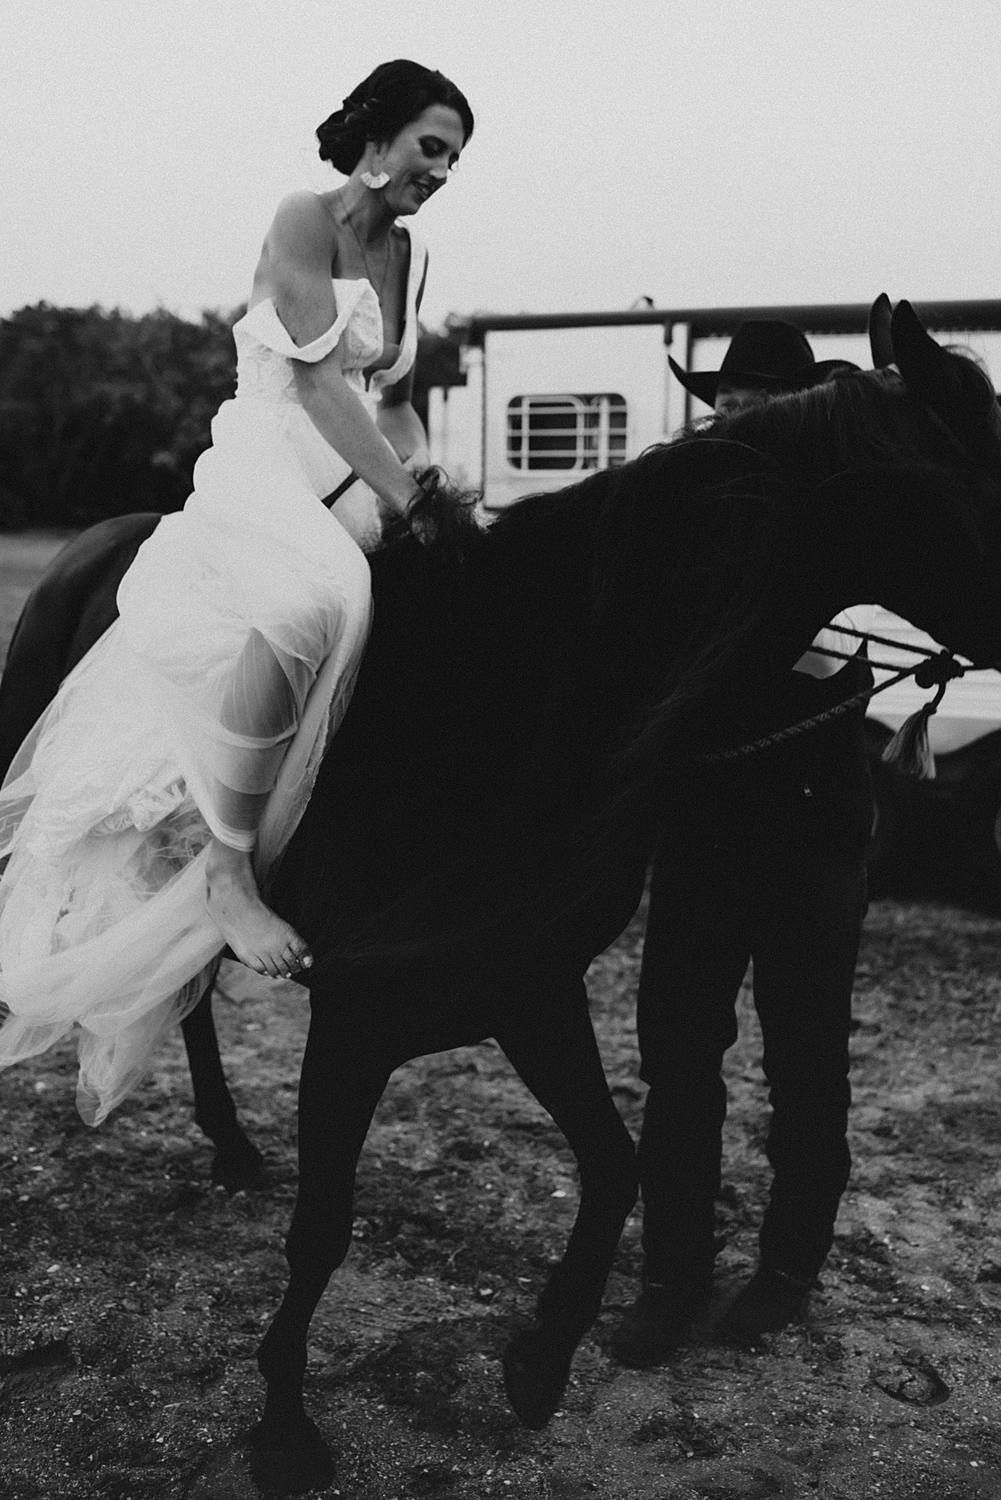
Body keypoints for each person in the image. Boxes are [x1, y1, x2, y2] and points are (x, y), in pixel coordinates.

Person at [0, 60, 474, 1123]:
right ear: (377, 134)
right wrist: (400, 492)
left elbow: (383, 401)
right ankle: (224, 867)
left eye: (454, 158)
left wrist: (431, 487)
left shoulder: (414, 252)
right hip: (267, 456)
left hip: (354, 470)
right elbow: (310, 378)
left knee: (446, 608)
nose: (440, 172)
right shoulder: (302, 217)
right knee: (321, 604)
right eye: (429, 146)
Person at [611, 322, 874, 1363]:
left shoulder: (847, 523)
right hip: (702, 828)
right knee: (677, 1060)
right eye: (726, 397)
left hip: (812, 830)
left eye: (762, 396)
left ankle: (784, 1269)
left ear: (799, 406)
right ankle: (670, 1275)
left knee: (804, 1062)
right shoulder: (682, 508)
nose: (737, 413)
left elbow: (823, 661)